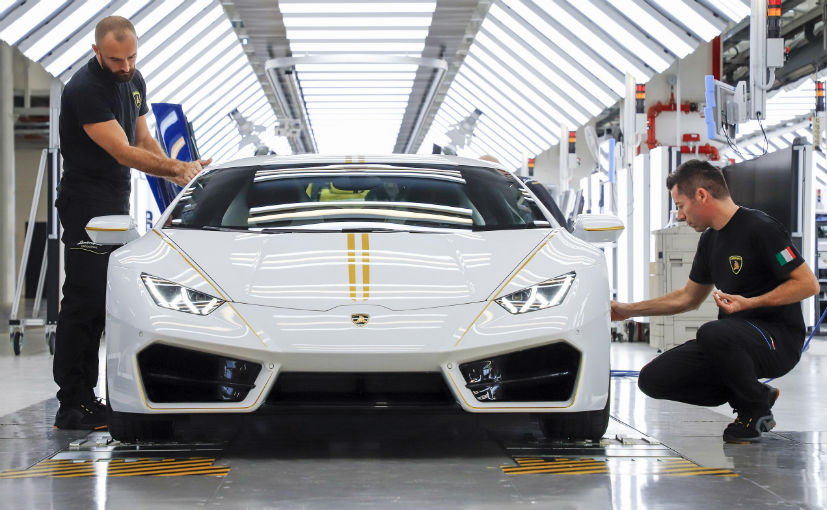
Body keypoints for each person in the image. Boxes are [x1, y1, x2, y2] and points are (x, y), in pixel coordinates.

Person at [54, 16, 211, 429]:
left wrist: (176, 175)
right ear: (96, 53)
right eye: (115, 59)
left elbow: (144, 141)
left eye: (130, 57)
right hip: (86, 205)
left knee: (105, 301)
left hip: (116, 201)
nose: (124, 66)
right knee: (84, 299)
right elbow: (122, 151)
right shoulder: (85, 90)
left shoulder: (134, 80)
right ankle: (72, 403)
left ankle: (92, 395)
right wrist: (176, 167)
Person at [611, 159, 818, 444]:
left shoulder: (761, 228)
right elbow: (687, 298)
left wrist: (750, 303)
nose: (680, 216)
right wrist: (626, 310)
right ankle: (751, 393)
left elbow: (808, 284)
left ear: (702, 196)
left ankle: (754, 410)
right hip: (730, 340)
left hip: (776, 339)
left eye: (680, 205)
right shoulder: (710, 240)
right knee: (653, 379)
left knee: (712, 331)